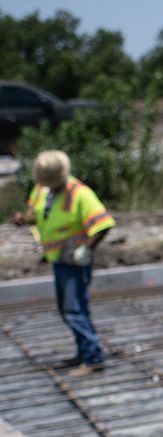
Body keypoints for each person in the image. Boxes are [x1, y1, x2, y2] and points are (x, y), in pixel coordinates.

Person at [10, 150, 116, 377]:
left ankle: (93, 357)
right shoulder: (42, 189)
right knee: (70, 309)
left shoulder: (80, 194)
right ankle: (83, 353)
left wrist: (87, 249)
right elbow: (37, 213)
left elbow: (104, 223)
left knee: (74, 310)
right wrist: (25, 219)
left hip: (74, 260)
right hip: (58, 259)